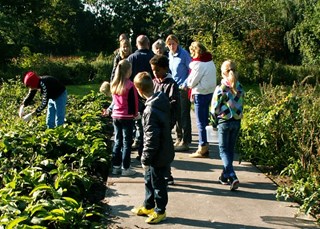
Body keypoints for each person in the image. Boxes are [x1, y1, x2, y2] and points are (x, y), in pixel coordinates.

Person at [131, 71, 174, 224]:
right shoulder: (160, 100)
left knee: (158, 184)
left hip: (157, 154)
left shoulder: (150, 110)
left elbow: (151, 138)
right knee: (148, 179)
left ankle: (160, 210)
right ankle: (149, 205)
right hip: (162, 149)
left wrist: (145, 157)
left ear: (139, 91)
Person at [210, 60, 245, 191]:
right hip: (236, 121)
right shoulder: (240, 88)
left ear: (223, 73)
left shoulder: (221, 88)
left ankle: (232, 175)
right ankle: (224, 176)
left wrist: (213, 122)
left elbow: (214, 108)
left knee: (223, 151)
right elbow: (241, 105)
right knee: (230, 151)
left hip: (224, 121)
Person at [150, 54, 180, 185]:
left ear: (165, 68)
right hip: (154, 122)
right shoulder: (154, 82)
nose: (155, 73)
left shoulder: (171, 84)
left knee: (165, 148)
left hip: (166, 122)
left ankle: (167, 174)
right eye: (153, 70)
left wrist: (171, 121)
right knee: (156, 147)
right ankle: (159, 173)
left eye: (157, 70)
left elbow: (174, 104)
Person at [187, 41, 217, 158]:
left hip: (200, 93)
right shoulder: (210, 61)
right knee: (205, 121)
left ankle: (202, 147)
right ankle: (205, 145)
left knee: (200, 122)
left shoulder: (199, 64)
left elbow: (191, 82)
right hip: (209, 92)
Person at [110, 59, 139, 176]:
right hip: (127, 116)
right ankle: (126, 168)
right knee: (127, 143)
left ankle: (116, 166)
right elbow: (134, 102)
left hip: (116, 115)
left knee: (118, 141)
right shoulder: (130, 85)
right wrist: (135, 114)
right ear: (128, 71)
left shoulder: (114, 84)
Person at [127, 35, 154, 157]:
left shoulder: (131, 58)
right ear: (148, 44)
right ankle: (146, 150)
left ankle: (138, 146)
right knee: (149, 124)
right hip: (150, 94)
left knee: (138, 123)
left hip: (136, 94)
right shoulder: (153, 57)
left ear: (137, 44)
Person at [165, 34, 192, 152]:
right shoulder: (169, 55)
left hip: (183, 88)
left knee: (183, 114)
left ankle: (186, 141)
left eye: (173, 44)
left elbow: (191, 70)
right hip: (173, 87)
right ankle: (179, 138)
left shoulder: (184, 54)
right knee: (175, 114)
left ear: (177, 43)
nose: (171, 46)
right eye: (169, 44)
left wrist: (186, 83)